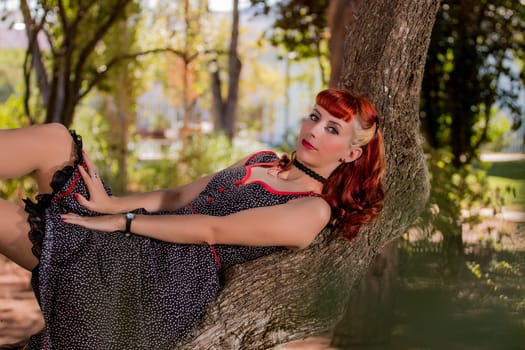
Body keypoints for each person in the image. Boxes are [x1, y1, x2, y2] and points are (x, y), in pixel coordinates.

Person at [0, 88, 385, 349]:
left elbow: (211, 229)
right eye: (315, 117)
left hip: (160, 279)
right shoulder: (261, 160)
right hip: (144, 238)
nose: (314, 131)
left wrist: (124, 222)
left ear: (351, 154)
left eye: (332, 129)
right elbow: (180, 195)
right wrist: (109, 206)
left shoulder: (312, 209)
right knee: (55, 139)